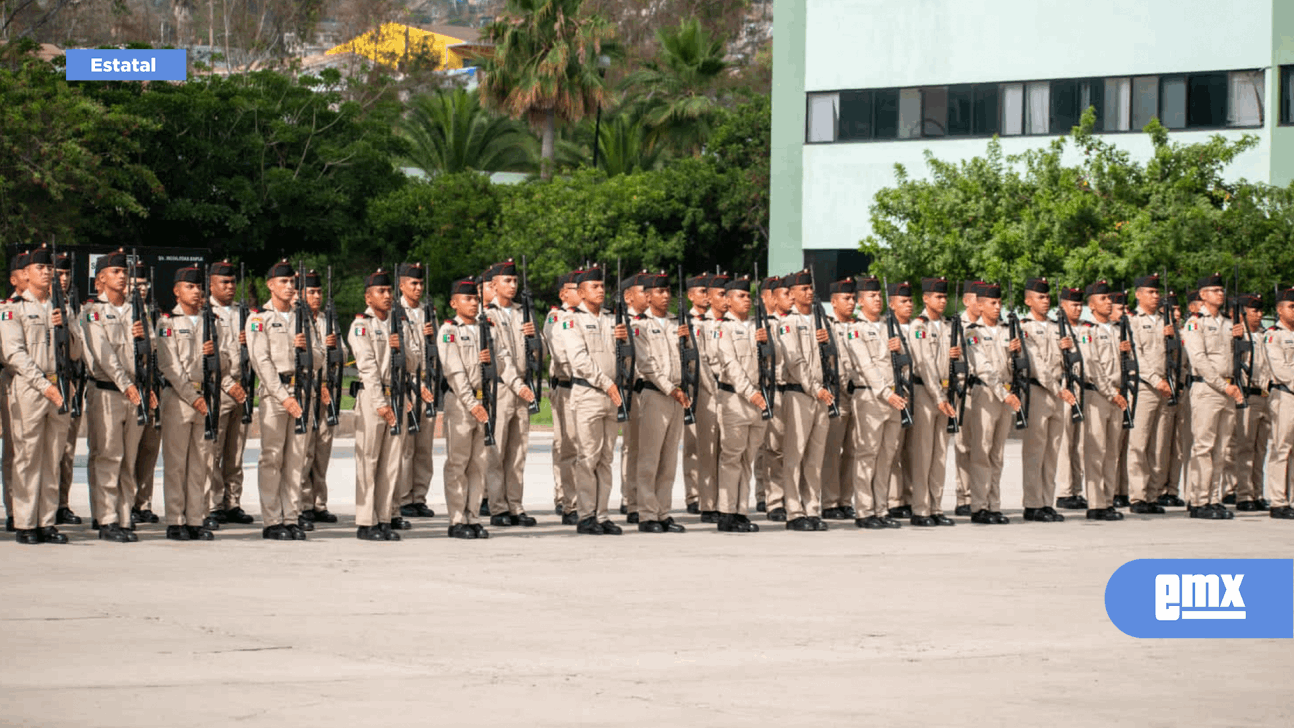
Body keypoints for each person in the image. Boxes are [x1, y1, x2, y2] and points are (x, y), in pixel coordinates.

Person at [1, 245, 83, 544]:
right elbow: (14, 355)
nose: (48, 272)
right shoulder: (13, 308)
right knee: (27, 456)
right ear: (25, 274)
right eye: (41, 268)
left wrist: (67, 328)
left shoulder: (63, 308)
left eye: (50, 268)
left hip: (60, 386)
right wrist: (44, 386)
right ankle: (24, 522)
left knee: (52, 456)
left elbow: (76, 352)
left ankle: (47, 521)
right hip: (30, 388)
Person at [245, 260, 326, 540]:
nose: (290, 286)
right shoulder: (259, 318)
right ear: (270, 285)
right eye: (284, 282)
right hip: (274, 395)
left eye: (292, 282)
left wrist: (306, 350)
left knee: (296, 459)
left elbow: (321, 357)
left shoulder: (303, 316)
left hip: (303, 391)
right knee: (272, 458)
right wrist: (282, 396)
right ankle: (271, 520)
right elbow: (261, 361)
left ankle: (291, 517)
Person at [551, 266, 628, 535]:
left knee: (606, 458)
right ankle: (585, 515)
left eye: (601, 286)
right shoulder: (571, 320)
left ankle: (602, 514)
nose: (600, 291)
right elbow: (579, 361)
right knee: (587, 457)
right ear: (581, 292)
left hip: (612, 396)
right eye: (594, 287)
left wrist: (624, 341)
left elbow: (621, 358)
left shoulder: (610, 318)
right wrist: (607, 384)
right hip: (589, 394)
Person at [83, 249, 153, 542]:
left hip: (135, 392)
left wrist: (143, 337)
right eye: (115, 272)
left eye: (124, 272)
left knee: (128, 457)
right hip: (108, 392)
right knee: (108, 455)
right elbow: (104, 355)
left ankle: (124, 516)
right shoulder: (92, 311)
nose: (122, 276)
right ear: (101, 278)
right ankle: (106, 517)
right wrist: (127, 385)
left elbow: (151, 354)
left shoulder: (139, 311)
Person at [155, 266, 218, 541]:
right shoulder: (167, 323)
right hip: (180, 398)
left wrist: (215, 354)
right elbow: (169, 365)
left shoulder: (210, 321)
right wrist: (193, 398)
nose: (196, 291)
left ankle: (196, 518)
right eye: (189, 287)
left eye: (198, 287)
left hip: (207, 395)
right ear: (177, 291)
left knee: (200, 463)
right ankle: (175, 519)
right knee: (176, 462)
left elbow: (225, 362)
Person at [842, 276, 907, 529]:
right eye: (871, 296)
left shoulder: (889, 327)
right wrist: (885, 392)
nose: (877, 299)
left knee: (886, 455)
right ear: (860, 302)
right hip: (871, 395)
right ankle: (864, 510)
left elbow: (903, 364)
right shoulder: (855, 329)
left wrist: (900, 349)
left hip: (895, 397)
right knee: (867, 454)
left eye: (879, 295)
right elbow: (865, 365)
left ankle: (882, 508)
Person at [1181, 273, 1245, 519]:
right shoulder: (1194, 323)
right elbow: (1199, 360)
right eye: (1215, 290)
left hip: (1228, 388)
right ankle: (1198, 500)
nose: (1220, 294)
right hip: (1208, 389)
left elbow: (1238, 359)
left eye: (1221, 290)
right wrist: (1222, 385)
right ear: (1203, 295)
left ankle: (1214, 498)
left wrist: (1240, 339)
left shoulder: (1229, 323)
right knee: (1204, 447)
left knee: (1221, 448)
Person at [630, 272, 689, 533]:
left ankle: (664, 512)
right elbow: (646, 365)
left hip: (678, 395)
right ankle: (647, 514)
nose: (666, 296)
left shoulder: (677, 324)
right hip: (656, 393)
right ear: (648, 296)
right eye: (660, 292)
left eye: (668, 291)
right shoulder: (640, 325)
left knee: (668, 459)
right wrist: (670, 389)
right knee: (649, 459)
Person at [349, 269, 405, 541]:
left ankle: (384, 519)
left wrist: (401, 346)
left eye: (388, 291)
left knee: (390, 463)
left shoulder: (398, 324)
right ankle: (365, 521)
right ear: (368, 297)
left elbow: (415, 363)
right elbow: (368, 367)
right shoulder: (362, 325)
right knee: (369, 461)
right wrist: (381, 403)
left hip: (397, 396)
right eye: (380, 292)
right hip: (373, 399)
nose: (387, 296)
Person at [777, 269, 833, 532]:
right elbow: (795, 361)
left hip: (822, 395)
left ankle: (812, 508)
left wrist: (828, 342)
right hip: (800, 393)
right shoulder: (787, 323)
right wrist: (814, 388)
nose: (809, 293)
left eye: (811, 289)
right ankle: (793, 511)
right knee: (794, 455)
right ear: (792, 294)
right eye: (803, 289)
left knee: (815, 457)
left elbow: (834, 361)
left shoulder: (823, 321)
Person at [963, 283, 1020, 524]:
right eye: (992, 303)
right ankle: (979, 507)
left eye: (999, 303)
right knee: (981, 452)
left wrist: (1016, 354)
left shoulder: (1008, 331)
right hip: (986, 395)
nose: (997, 307)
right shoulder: (972, 332)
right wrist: (1002, 393)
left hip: (1006, 394)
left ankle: (994, 505)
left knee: (997, 453)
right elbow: (983, 367)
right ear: (980, 305)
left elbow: (1012, 367)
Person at [713, 276, 766, 533]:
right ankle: (726, 512)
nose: (746, 300)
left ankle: (741, 511)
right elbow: (730, 365)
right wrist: (750, 393)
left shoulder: (757, 328)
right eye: (740, 296)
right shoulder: (723, 328)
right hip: (735, 398)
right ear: (728, 300)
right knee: (732, 456)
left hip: (759, 400)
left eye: (748, 296)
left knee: (748, 458)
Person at [904, 278, 958, 527]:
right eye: (938, 297)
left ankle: (936, 507)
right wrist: (938, 397)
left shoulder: (948, 326)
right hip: (927, 394)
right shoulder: (919, 326)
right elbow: (924, 365)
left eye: (945, 297)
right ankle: (921, 509)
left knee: (940, 454)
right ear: (926, 299)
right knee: (923, 454)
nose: (943, 301)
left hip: (946, 394)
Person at [1074, 281, 1129, 521]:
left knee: (1112, 451)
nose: (1109, 302)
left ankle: (1108, 500)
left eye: (1109, 298)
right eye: (1103, 299)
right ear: (1092, 304)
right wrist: (1110, 392)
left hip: (1117, 395)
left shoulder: (1117, 330)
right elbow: (1092, 366)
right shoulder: (1088, 330)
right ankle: (1096, 504)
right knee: (1096, 450)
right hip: (1098, 395)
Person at [1018, 278, 1071, 522]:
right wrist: (1057, 388)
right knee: (1035, 451)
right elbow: (1036, 364)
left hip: (1058, 393)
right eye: (1040, 297)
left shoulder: (1057, 326)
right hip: (1039, 392)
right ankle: (1032, 504)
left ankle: (1047, 502)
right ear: (1028, 301)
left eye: (1048, 297)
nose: (1046, 300)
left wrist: (1067, 347)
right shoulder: (1025, 327)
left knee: (1052, 451)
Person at [206, 260, 254, 526]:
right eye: (224, 282)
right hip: (219, 388)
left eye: (233, 282)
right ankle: (213, 504)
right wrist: (227, 384)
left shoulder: (243, 313)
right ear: (211, 284)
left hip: (243, 387)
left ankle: (232, 502)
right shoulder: (205, 313)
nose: (229, 287)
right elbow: (209, 355)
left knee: (235, 451)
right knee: (213, 449)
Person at [392, 263, 438, 526]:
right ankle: (404, 497)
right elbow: (398, 356)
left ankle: (419, 497)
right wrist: (411, 384)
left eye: (420, 284)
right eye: (413, 284)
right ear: (402, 285)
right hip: (406, 385)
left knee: (424, 447)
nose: (418, 289)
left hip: (427, 384)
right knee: (406, 447)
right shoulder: (396, 312)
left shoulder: (426, 312)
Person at [299, 270, 345, 527]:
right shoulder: (298, 320)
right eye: (311, 292)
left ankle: (319, 502)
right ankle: (303, 503)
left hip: (327, 390)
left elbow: (343, 352)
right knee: (304, 450)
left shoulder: (328, 320)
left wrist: (335, 346)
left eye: (318, 292)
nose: (316, 296)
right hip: (307, 388)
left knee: (322, 449)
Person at [1125, 275, 1172, 515]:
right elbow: (1137, 355)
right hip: (1145, 387)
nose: (1155, 297)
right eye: (1150, 292)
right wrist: (1156, 380)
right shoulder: (1132, 321)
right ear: (1138, 294)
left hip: (1167, 388)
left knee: (1159, 445)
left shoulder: (1167, 321)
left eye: (1157, 293)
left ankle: (1154, 494)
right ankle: (1138, 496)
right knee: (1139, 444)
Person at [1220, 293, 1272, 511]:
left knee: (1260, 449)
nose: (1259, 315)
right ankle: (1243, 494)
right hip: (1247, 394)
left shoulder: (1265, 335)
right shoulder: (1237, 336)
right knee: (1244, 448)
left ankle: (1257, 492)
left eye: (1260, 311)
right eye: (1254, 311)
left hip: (1266, 396)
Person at [544, 272, 581, 524]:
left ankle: (580, 498)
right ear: (563, 294)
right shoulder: (557, 317)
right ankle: (565, 498)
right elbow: (560, 353)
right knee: (565, 444)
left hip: (587, 387)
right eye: (574, 288)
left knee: (584, 447)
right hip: (567, 385)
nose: (580, 292)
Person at [820, 278, 856, 522]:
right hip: (835, 394)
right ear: (833, 302)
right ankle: (830, 501)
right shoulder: (826, 328)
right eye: (846, 298)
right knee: (832, 451)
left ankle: (846, 500)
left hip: (859, 395)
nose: (852, 302)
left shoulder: (858, 327)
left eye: (853, 298)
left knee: (853, 450)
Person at [53, 252, 84, 527]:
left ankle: (61, 503)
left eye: (66, 275)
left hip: (68, 382)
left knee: (67, 450)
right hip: (41, 385)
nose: (63, 280)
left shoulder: (70, 308)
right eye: (57, 274)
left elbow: (77, 350)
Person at [130, 263, 162, 526]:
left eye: (144, 285)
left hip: (153, 388)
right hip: (131, 389)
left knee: (149, 449)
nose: (140, 289)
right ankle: (126, 502)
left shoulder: (153, 315)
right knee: (128, 450)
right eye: (135, 285)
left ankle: (143, 502)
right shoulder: (123, 315)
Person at [760, 276, 793, 521]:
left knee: (796, 448)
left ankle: (793, 498)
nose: (791, 298)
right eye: (785, 294)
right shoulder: (763, 325)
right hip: (775, 390)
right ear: (771, 298)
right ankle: (774, 501)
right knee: (774, 448)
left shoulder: (798, 323)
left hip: (798, 391)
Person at [681, 274, 714, 515]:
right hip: (693, 386)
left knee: (711, 446)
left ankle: (709, 494)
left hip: (714, 388)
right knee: (693, 444)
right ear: (691, 295)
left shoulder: (715, 320)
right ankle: (693, 494)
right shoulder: (685, 321)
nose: (707, 296)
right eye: (702, 291)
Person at [2, 251, 30, 534]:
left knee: (25, 450)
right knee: (13, 452)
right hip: (9, 379)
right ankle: (12, 508)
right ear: (14, 278)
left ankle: (25, 511)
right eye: (24, 272)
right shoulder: (7, 307)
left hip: (28, 383)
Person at [617, 272, 646, 522]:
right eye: (642, 291)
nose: (647, 295)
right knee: (632, 448)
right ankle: (630, 498)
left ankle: (644, 500)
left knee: (648, 450)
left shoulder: (652, 321)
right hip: (631, 390)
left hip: (651, 392)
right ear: (628, 297)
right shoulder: (618, 321)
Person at [1263, 287, 1294, 519]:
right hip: (1285, 395)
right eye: (1291, 307)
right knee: (1281, 448)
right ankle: (1278, 500)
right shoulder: (1274, 334)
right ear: (1279, 310)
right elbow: (1281, 368)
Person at [753, 276, 783, 513]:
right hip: (764, 388)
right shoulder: (758, 324)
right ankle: (764, 493)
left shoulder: (785, 322)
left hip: (784, 390)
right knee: (766, 446)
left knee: (777, 446)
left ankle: (774, 493)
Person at [952, 281, 982, 516]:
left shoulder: (989, 325)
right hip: (964, 390)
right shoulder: (955, 325)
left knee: (983, 448)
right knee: (964, 446)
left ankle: (980, 495)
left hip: (986, 391)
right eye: (977, 298)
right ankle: (964, 496)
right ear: (966, 301)